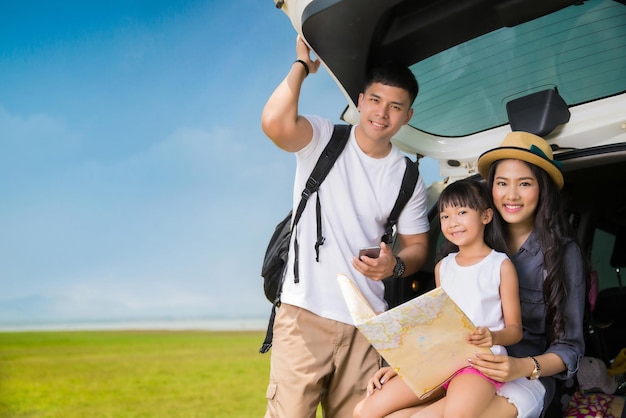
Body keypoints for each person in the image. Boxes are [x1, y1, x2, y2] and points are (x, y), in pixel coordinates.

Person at [359, 131, 586, 418]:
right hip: (458, 363)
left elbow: (570, 347)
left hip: (527, 375)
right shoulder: (462, 242)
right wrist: (409, 364)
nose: (511, 195)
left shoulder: (562, 253)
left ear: (542, 190)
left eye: (525, 183)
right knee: (366, 410)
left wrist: (523, 366)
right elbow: (442, 326)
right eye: (502, 183)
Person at [260, 35, 430, 417]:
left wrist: (395, 266)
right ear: (359, 100)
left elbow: (418, 246)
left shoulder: (407, 177)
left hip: (366, 325)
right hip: (304, 315)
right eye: (374, 100)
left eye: (395, 107)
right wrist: (301, 67)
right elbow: (273, 123)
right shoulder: (323, 138)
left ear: (408, 116)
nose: (382, 113)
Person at [353, 178, 523, 418]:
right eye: (445, 216)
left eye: (462, 212)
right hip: (440, 361)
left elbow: (515, 330)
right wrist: (403, 366)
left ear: (486, 216)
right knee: (364, 411)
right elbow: (436, 327)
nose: (452, 223)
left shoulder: (499, 265)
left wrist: (492, 335)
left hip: (480, 364)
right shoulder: (442, 267)